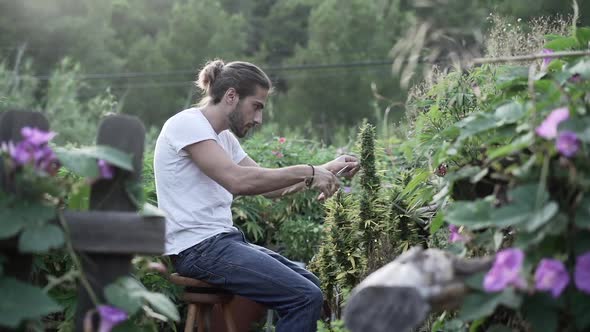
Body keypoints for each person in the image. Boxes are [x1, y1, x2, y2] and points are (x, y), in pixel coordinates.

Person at [153, 59, 360, 332]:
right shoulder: (186, 124)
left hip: (222, 242)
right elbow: (238, 181)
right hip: (198, 249)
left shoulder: (223, 138)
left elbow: (271, 187)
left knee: (313, 286)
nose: (259, 119)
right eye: (257, 106)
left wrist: (326, 169)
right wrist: (309, 171)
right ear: (231, 96)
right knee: (303, 297)